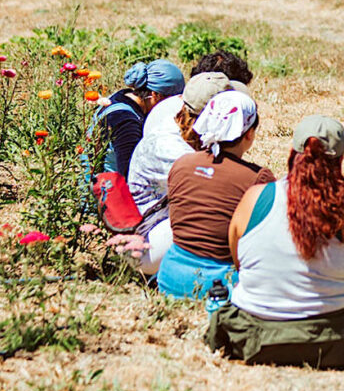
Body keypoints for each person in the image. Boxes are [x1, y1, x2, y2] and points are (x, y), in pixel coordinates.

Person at [206, 115, 344, 368]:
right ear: (340, 160)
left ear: (292, 153)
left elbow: (240, 264)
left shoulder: (256, 197)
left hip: (252, 337)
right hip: (336, 340)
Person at [156, 91, 275, 299]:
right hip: (224, 284)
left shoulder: (182, 164)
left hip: (170, 277)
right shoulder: (257, 178)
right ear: (249, 133)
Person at [126, 73, 239, 274]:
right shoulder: (172, 148)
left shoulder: (180, 128)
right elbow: (220, 193)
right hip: (145, 243)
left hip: (161, 224)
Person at [96, 60, 185, 178]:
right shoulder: (126, 123)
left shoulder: (120, 97)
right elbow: (130, 174)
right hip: (106, 191)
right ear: (155, 95)